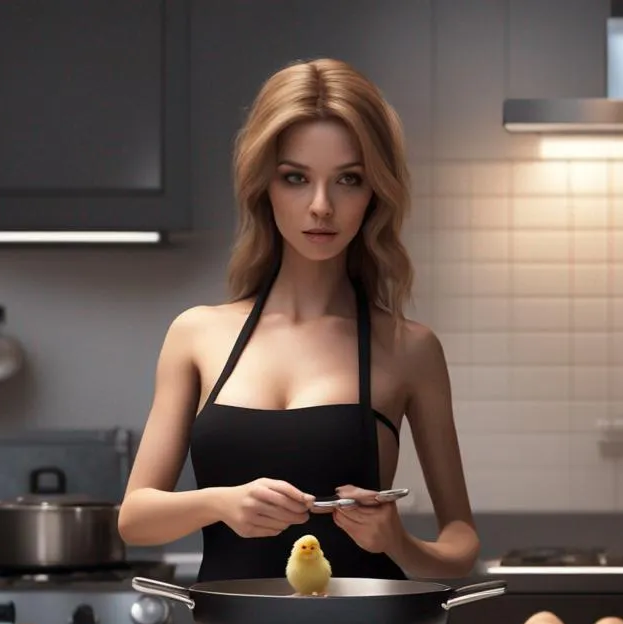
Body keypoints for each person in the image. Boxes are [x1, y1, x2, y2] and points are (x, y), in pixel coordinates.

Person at [118, 57, 479, 582]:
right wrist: (221, 503)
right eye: (296, 178)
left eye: (348, 179)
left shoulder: (409, 349)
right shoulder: (197, 334)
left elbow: (461, 540)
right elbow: (135, 517)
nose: (321, 206)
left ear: (375, 191)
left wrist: (398, 542)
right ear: (264, 186)